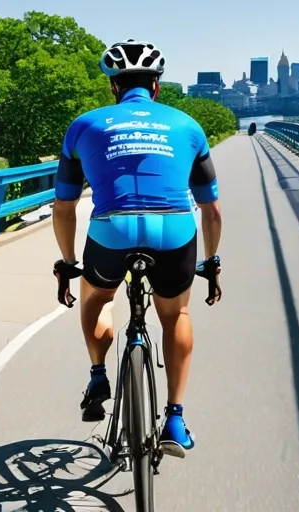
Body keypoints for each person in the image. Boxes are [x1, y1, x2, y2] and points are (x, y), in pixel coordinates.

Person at [51, 39, 223, 458]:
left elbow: (64, 206)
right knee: (176, 313)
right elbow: (211, 207)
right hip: (174, 231)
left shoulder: (84, 126)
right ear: (157, 86)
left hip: (113, 230)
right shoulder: (188, 126)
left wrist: (69, 263)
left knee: (97, 299)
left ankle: (97, 374)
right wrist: (212, 262)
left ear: (113, 87)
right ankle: (176, 419)